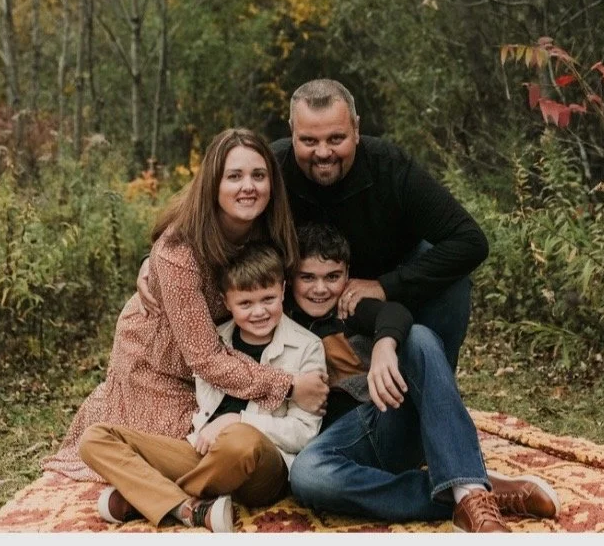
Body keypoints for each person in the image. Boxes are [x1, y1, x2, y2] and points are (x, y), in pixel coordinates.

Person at [42, 128, 329, 484]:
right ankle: (171, 500)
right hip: (160, 359)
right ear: (213, 184)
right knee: (184, 449)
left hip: (225, 351)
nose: (248, 186)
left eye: (259, 175)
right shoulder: (179, 251)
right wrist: (288, 386)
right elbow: (204, 357)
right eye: (234, 176)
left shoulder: (268, 230)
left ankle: (151, 493)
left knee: (224, 443)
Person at [286, 223, 560, 532]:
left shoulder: (350, 309)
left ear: (347, 274)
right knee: (306, 475)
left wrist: (384, 346)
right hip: (343, 446)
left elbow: (396, 315)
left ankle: (469, 491)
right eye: (307, 277)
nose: (320, 289)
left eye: (332, 277)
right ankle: (470, 492)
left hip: (387, 421)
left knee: (418, 336)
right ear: (290, 276)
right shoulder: (278, 319)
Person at [77, 243, 326, 532]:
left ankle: (143, 499)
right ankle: (188, 508)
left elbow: (305, 434)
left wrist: (238, 420)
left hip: (263, 464)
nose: (259, 311)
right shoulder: (211, 342)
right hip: (205, 453)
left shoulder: (307, 346)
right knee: (95, 438)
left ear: (283, 290)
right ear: (225, 300)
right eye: (245, 303)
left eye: (268, 298)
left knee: (241, 440)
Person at [271, 79, 488, 369]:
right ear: (292, 132)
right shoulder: (269, 169)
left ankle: (435, 379)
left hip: (389, 276)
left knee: (452, 282)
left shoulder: (390, 166)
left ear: (357, 129)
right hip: (302, 285)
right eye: (309, 141)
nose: (323, 153)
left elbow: (470, 242)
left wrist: (386, 286)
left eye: (336, 139)